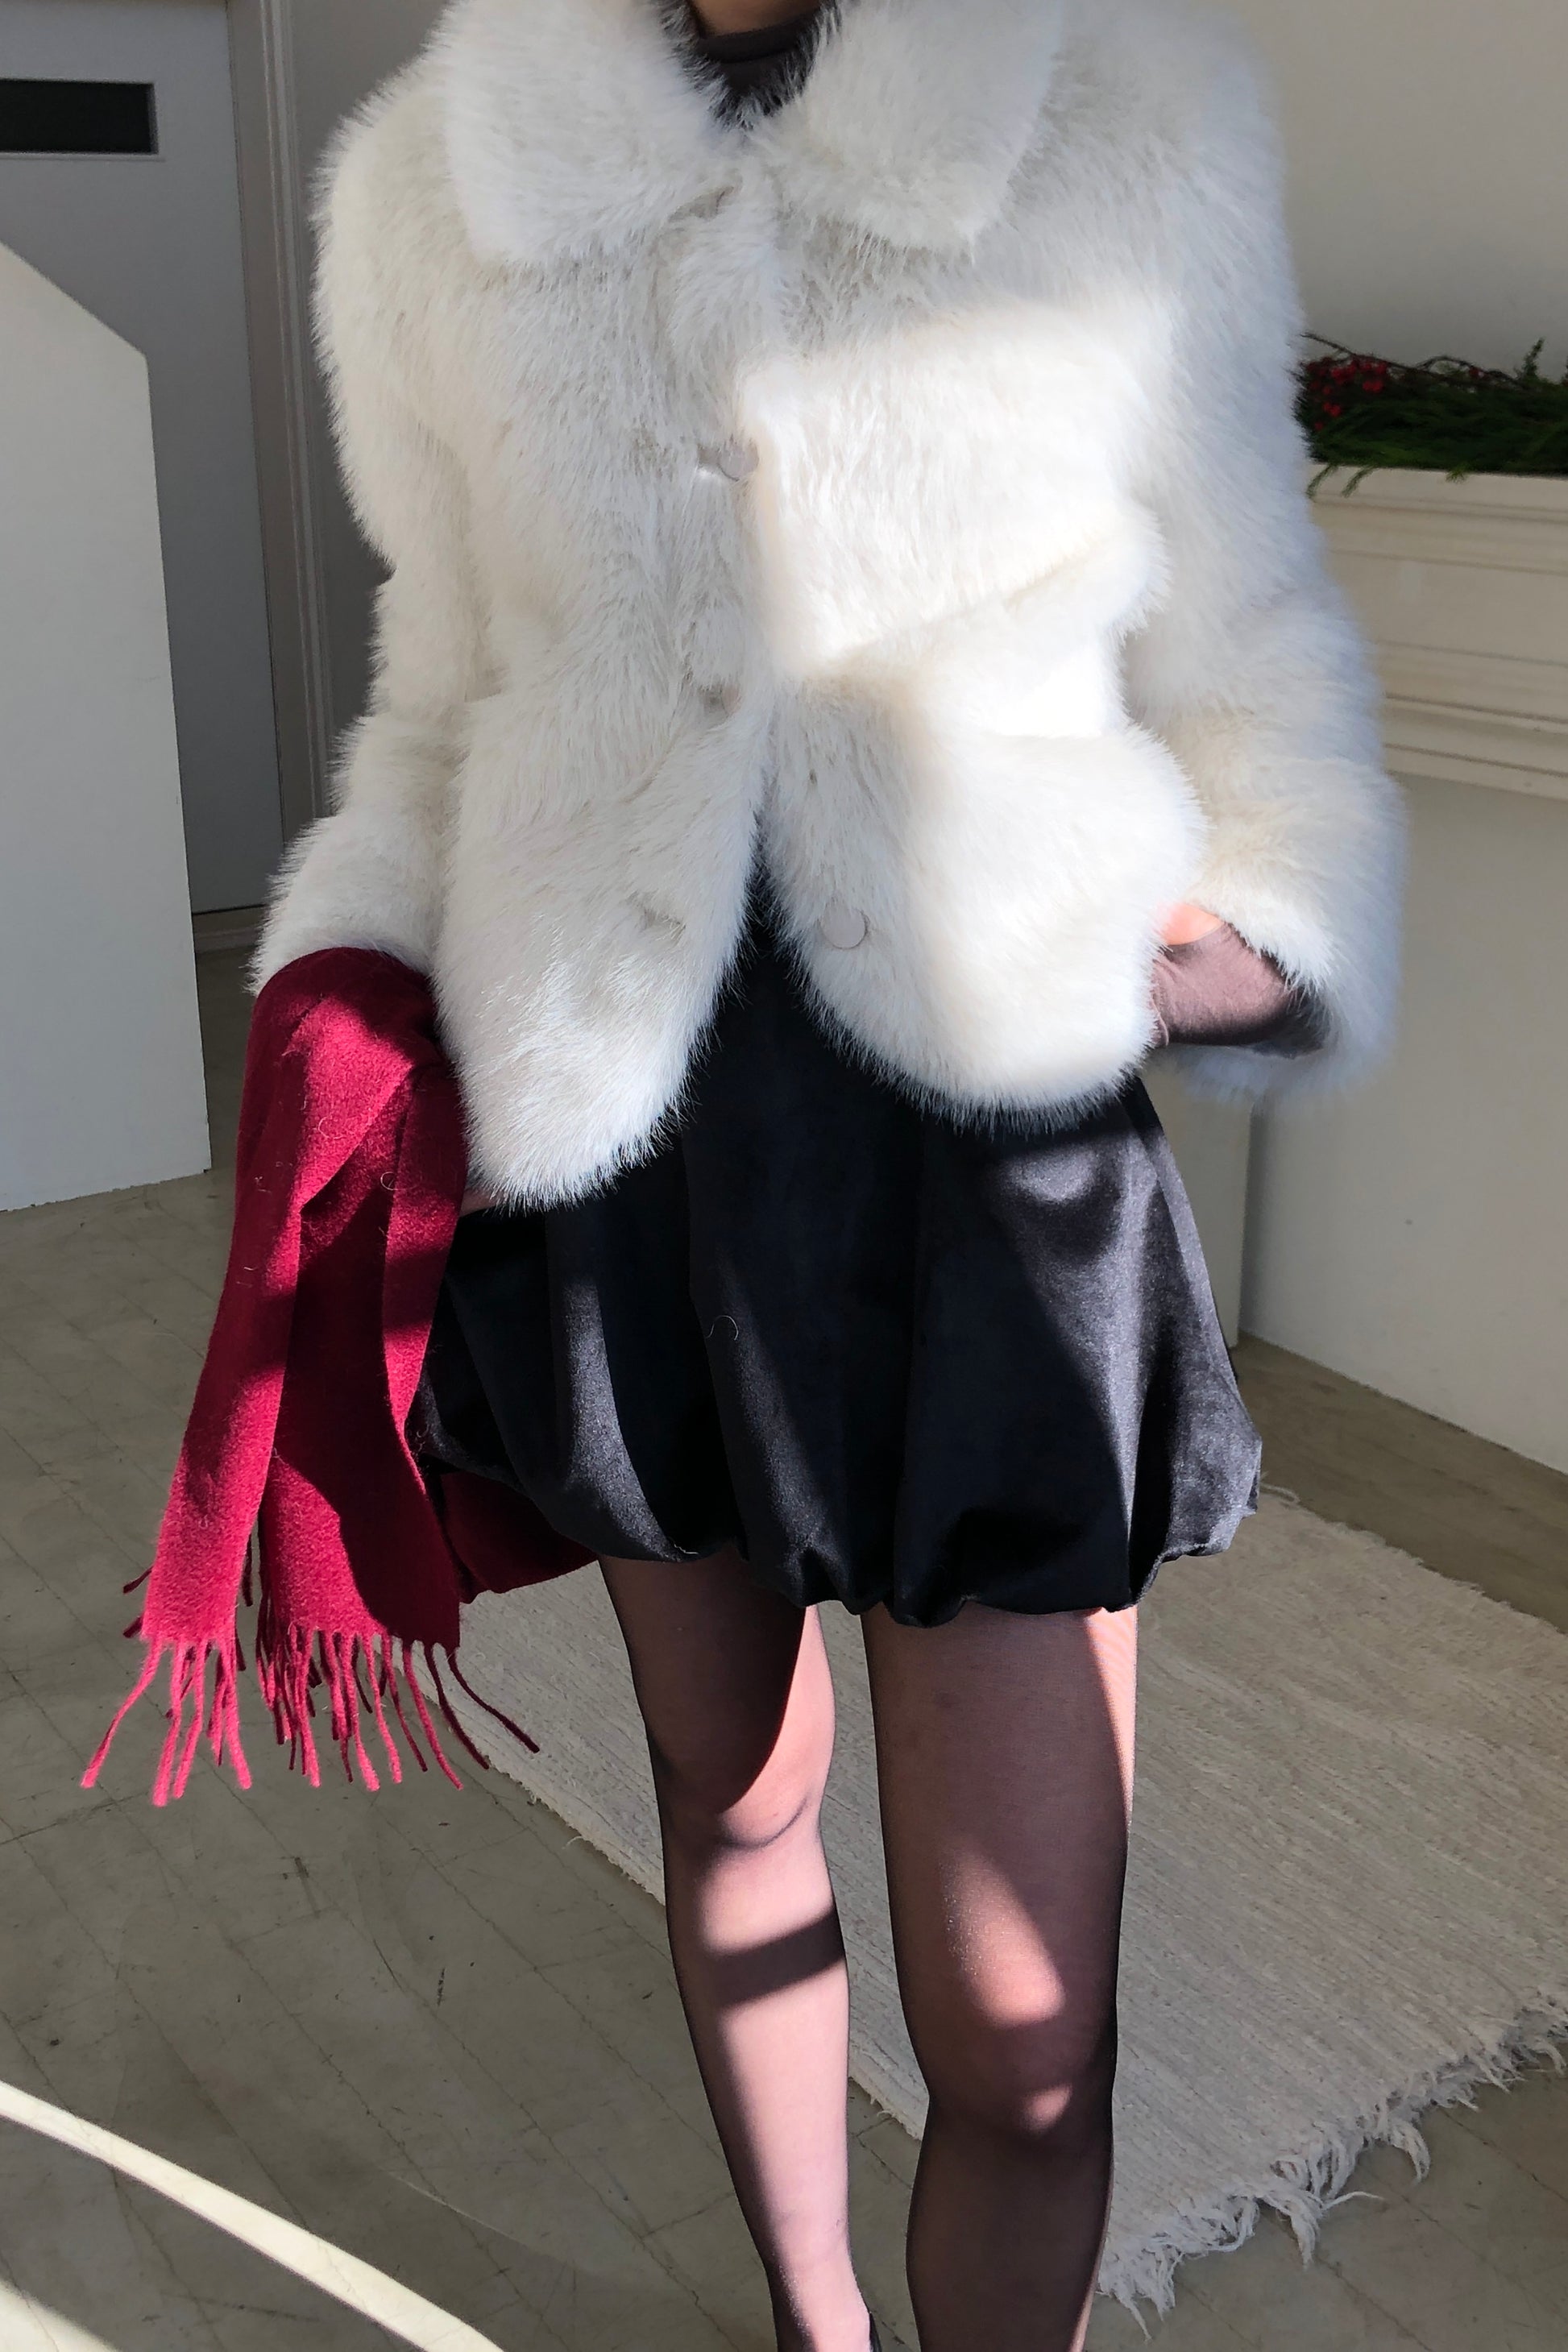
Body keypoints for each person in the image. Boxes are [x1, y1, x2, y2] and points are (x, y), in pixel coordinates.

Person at [256, 2, 1405, 2344]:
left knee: (1029, 2031)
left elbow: (1252, 638)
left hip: (986, 1183)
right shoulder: (433, 187)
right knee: (734, 1804)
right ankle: (815, 2326)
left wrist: (1255, 931)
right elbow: (444, 692)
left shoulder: (1125, 119)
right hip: (627, 1155)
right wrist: (349, 963)